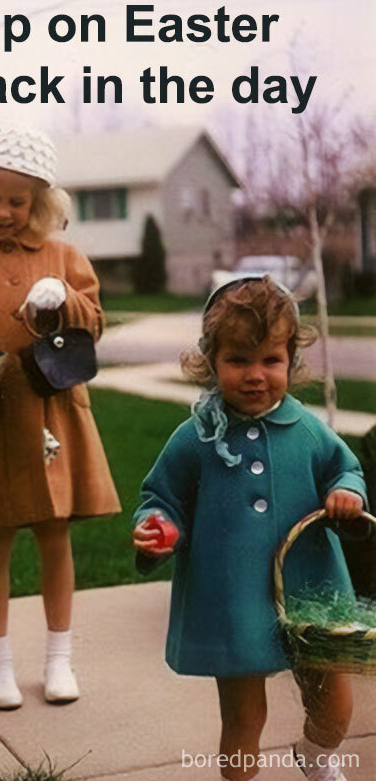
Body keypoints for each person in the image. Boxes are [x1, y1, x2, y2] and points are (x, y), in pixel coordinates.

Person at [132, 275, 367, 781]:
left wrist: (347, 493)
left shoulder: (307, 430)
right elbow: (161, 498)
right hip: (232, 597)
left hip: (311, 589)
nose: (256, 375)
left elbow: (346, 469)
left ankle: (317, 756)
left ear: (291, 361)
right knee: (243, 716)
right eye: (238, 360)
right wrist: (159, 528)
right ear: (211, 360)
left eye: (271, 360)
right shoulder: (195, 437)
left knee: (335, 706)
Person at [0, 123, 120, 709]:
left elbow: (95, 323)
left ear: (39, 203)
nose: (4, 212)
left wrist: (64, 299)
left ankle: (59, 660)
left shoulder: (63, 255)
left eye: (18, 201)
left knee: (54, 532)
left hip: (52, 413)